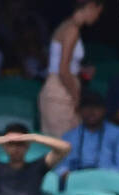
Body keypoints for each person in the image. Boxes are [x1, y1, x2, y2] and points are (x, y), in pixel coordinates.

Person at [39, 1, 103, 137]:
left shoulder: (68, 26)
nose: (98, 17)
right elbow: (62, 71)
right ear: (91, 6)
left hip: (62, 92)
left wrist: (81, 69)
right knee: (63, 150)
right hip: (59, 95)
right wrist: (77, 98)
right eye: (99, 12)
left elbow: (62, 63)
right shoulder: (71, 29)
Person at [57, 91, 119, 175]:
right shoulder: (69, 136)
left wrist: (96, 177)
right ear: (79, 111)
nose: (91, 111)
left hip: (107, 183)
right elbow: (60, 167)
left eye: (96, 107)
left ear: (104, 110)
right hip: (76, 183)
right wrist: (66, 174)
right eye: (86, 107)